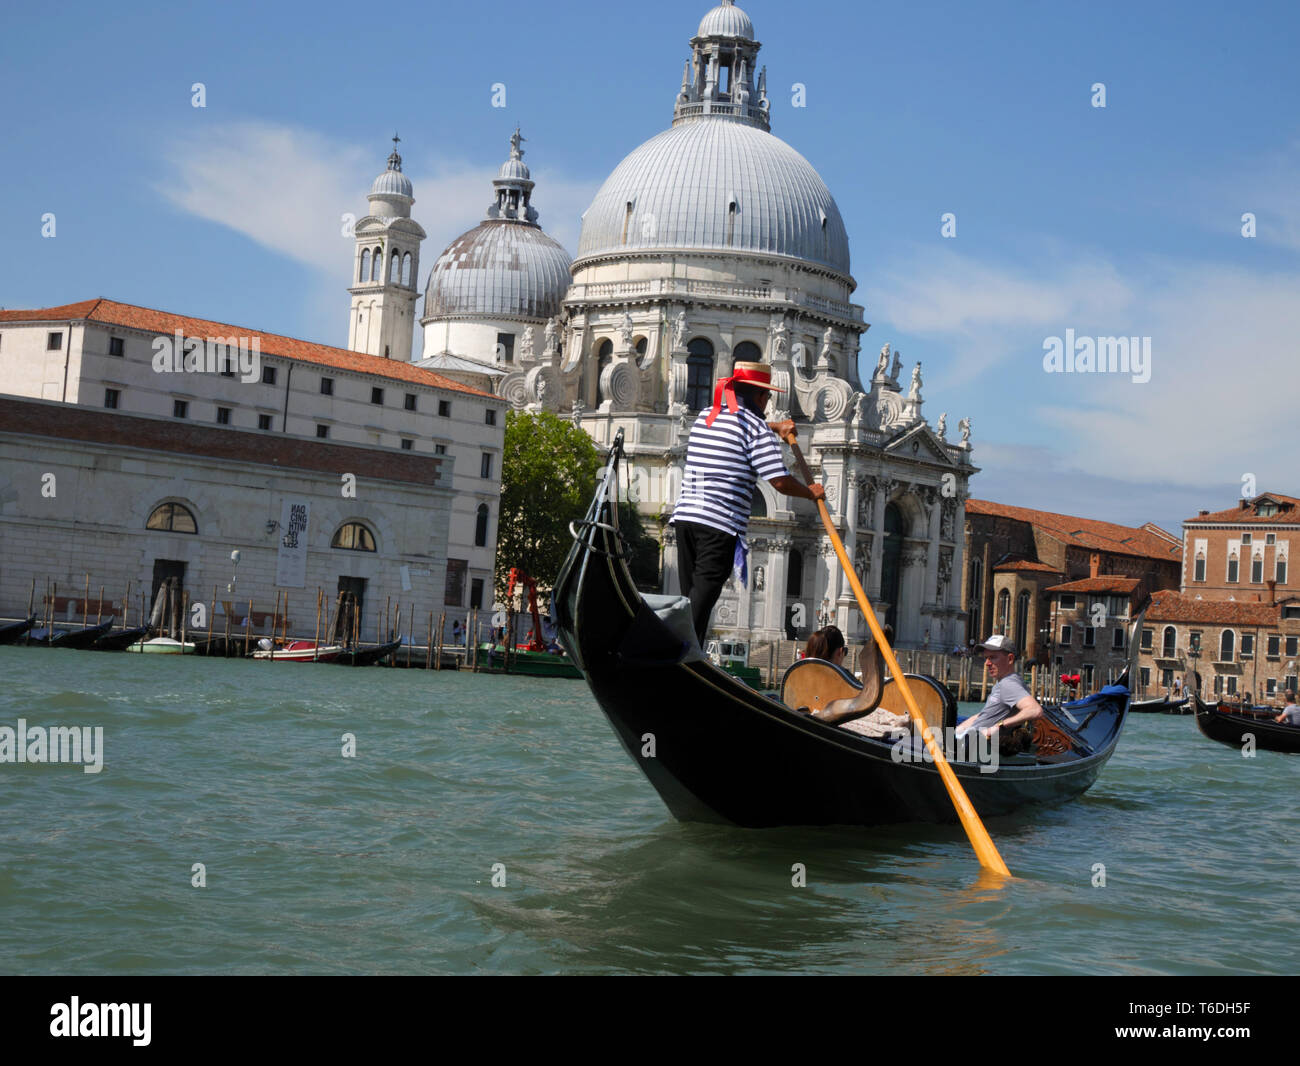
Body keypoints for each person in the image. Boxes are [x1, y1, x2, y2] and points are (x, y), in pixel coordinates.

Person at [670, 361, 824, 642]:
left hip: (685, 521)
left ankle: (687, 656)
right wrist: (810, 492)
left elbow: (740, 425)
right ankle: (679, 657)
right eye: (767, 399)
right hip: (719, 527)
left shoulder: (707, 415)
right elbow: (779, 480)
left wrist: (774, 427)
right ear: (761, 397)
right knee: (700, 605)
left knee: (690, 602)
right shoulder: (756, 428)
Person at [956, 635, 1044, 743]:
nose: (987, 663)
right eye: (986, 658)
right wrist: (957, 732)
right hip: (967, 741)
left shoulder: (1008, 684)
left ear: (1010, 659)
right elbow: (983, 715)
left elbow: (1035, 710)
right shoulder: (1006, 682)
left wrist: (999, 726)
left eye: (992, 657)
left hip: (974, 747)